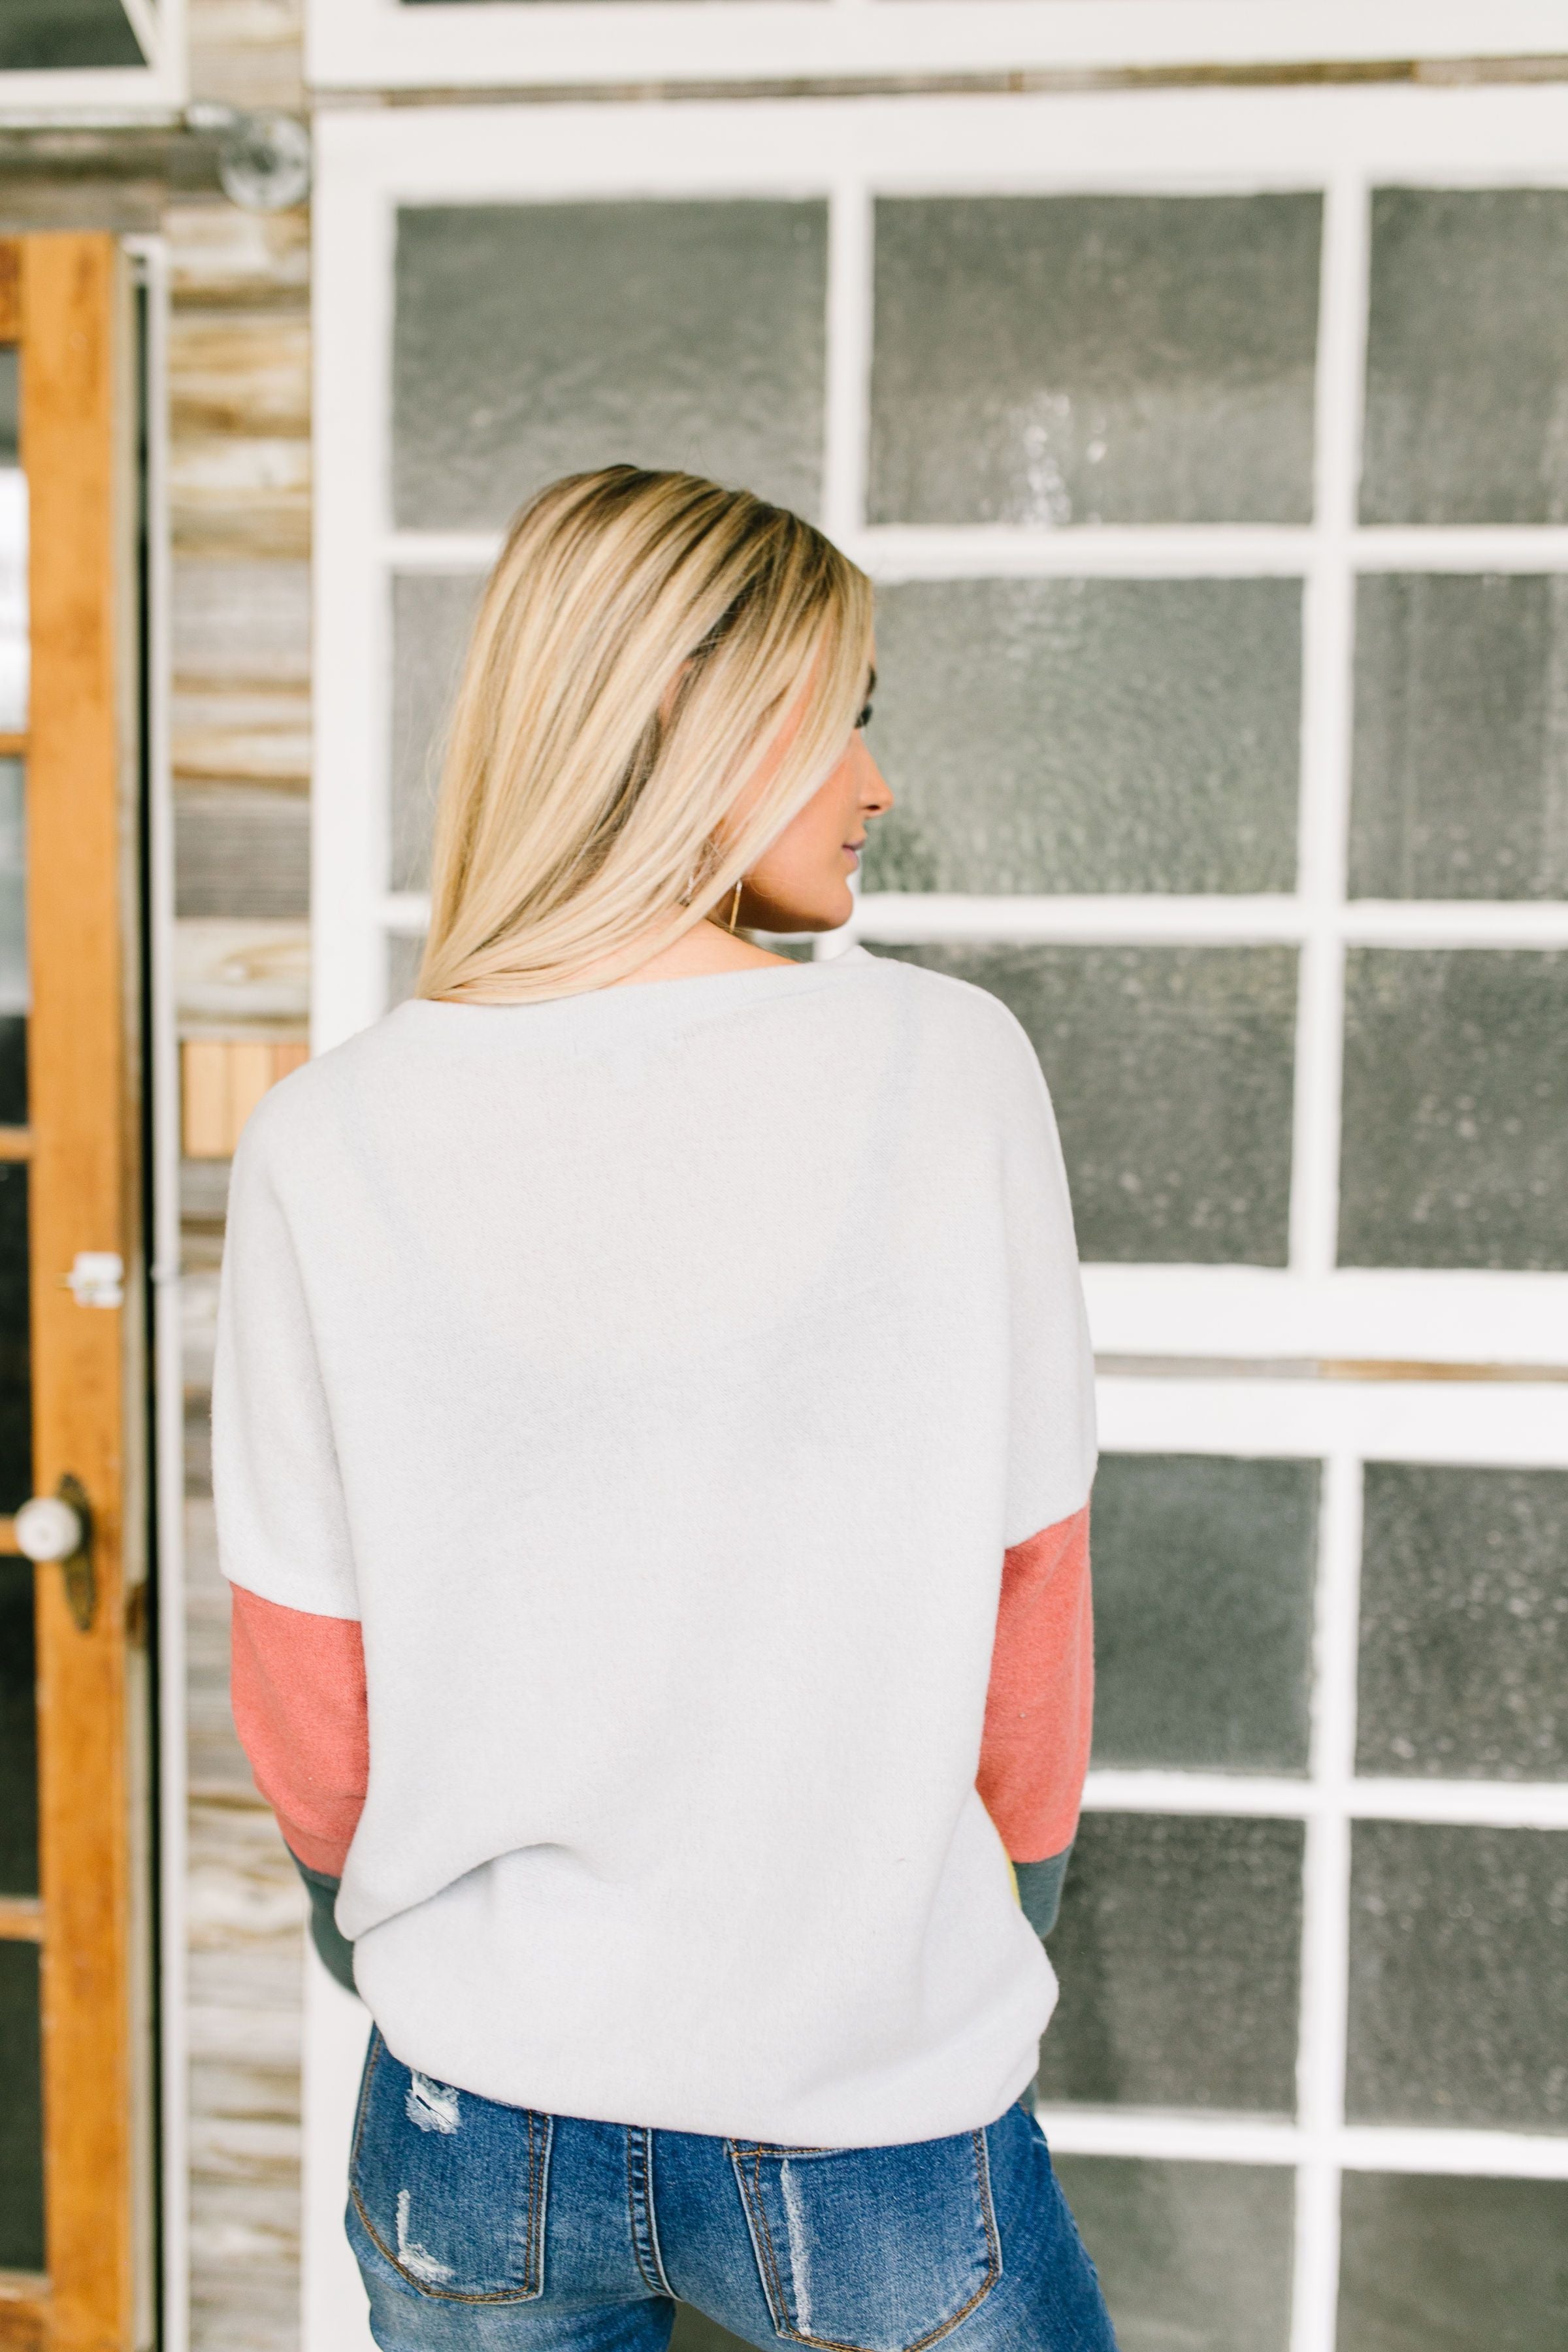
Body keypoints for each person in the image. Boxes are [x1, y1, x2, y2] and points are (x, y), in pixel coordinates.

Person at [214, 465, 1114, 2350]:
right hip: (869, 2106)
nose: (877, 782)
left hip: (471, 2112)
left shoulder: (326, 1131)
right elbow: (1031, 1593)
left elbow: (309, 1680)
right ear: (698, 724)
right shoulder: (949, 1066)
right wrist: (998, 1911)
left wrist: (365, 1924)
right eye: (845, 716)